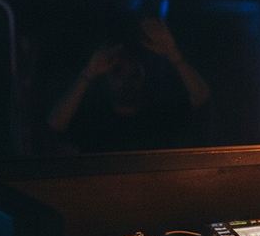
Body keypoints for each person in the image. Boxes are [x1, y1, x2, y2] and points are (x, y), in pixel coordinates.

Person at [46, 17, 210, 152]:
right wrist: (88, 73)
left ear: (145, 76)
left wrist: (173, 54)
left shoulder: (160, 117)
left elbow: (201, 97)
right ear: (106, 77)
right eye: (118, 71)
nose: (126, 80)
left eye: (134, 74)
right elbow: (55, 125)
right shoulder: (94, 121)